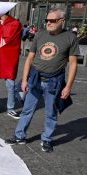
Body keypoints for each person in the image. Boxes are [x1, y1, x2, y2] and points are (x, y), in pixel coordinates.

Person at [5, 8, 79, 153]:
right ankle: (20, 136)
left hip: (54, 81)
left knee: (51, 112)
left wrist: (68, 86)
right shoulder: (40, 35)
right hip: (35, 78)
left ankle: (47, 139)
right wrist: (25, 79)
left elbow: (73, 64)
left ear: (62, 21)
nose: (48, 23)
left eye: (52, 21)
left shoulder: (70, 37)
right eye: (47, 20)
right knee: (27, 109)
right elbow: (29, 59)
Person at [0, 2, 22, 119]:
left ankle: (11, 108)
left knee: (10, 85)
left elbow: (12, 42)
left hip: (8, 59)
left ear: (3, 10)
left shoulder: (15, 24)